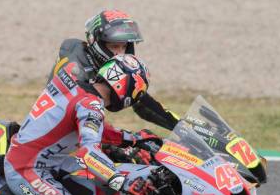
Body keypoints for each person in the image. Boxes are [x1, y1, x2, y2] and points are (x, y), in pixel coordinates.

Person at [5, 54, 160, 195]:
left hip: (49, 161)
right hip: (27, 169)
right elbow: (88, 153)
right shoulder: (91, 104)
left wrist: (134, 139)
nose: (135, 99)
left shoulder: (79, 90)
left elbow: (93, 128)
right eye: (137, 93)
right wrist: (124, 182)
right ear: (125, 88)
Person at [47, 9, 180, 131]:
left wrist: (181, 126)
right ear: (96, 42)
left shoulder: (105, 65)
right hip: (58, 137)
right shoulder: (75, 68)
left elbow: (140, 100)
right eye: (115, 46)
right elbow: (74, 118)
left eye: (124, 47)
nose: (120, 53)